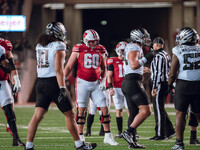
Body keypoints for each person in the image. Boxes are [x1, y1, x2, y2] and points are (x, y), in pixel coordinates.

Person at [24, 22, 97, 150]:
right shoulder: (59, 45)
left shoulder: (39, 45)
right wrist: (62, 88)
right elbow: (58, 69)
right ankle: (79, 145)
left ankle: (29, 145)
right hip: (53, 83)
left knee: (38, 115)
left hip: (40, 82)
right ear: (58, 33)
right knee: (70, 114)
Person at [64, 29, 118, 146]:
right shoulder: (78, 48)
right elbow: (69, 66)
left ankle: (108, 136)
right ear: (86, 41)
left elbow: (103, 68)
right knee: (81, 111)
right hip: (82, 83)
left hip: (96, 84)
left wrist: (103, 81)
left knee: (105, 108)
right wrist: (62, 79)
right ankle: (81, 137)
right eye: (91, 41)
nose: (94, 44)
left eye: (95, 41)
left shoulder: (101, 49)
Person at [121, 28, 154, 149]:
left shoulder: (134, 47)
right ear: (137, 37)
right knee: (146, 111)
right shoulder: (134, 47)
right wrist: (148, 57)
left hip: (129, 82)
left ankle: (132, 142)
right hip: (132, 83)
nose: (146, 39)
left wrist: (143, 69)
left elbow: (133, 66)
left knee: (134, 113)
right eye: (144, 37)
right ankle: (128, 132)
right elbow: (134, 65)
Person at [168, 27, 200, 150]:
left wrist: (169, 85)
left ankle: (179, 143)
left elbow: (172, 72)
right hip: (198, 84)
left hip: (183, 85)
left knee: (180, 114)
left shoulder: (178, 50)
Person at [149, 37, 175, 140]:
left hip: (159, 84)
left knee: (158, 109)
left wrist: (154, 87)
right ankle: (170, 130)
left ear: (156, 45)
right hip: (164, 83)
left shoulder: (158, 56)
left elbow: (159, 73)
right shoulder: (166, 54)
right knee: (161, 108)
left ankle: (161, 134)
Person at [0, 38, 25, 146]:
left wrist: (16, 79)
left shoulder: (2, 47)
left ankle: (16, 139)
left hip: (2, 82)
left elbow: (10, 65)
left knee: (9, 110)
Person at [107, 41, 129, 138]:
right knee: (118, 110)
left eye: (125, 51)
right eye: (122, 51)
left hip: (127, 87)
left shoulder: (130, 60)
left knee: (129, 110)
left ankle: (132, 132)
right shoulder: (112, 60)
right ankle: (120, 132)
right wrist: (110, 87)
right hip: (116, 88)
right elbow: (109, 75)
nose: (123, 53)